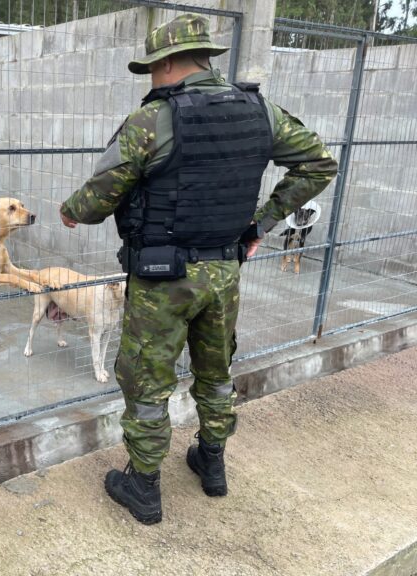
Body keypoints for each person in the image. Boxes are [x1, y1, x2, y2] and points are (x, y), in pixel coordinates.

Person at [59, 13, 338, 525]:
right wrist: (263, 224)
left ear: (164, 62)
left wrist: (70, 210)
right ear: (205, 57)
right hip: (224, 274)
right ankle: (211, 465)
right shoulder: (260, 111)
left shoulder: (152, 120)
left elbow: (98, 199)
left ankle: (142, 486)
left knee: (146, 380)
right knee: (215, 371)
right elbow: (320, 162)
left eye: (151, 67)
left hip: (161, 280)